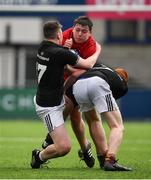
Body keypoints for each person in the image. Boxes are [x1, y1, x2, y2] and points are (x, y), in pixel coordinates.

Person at [30, 20, 101, 169]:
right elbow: (88, 64)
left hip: (57, 97)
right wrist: (98, 51)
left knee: (76, 115)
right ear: (58, 34)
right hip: (49, 107)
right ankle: (39, 156)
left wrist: (65, 53)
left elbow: (66, 68)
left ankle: (85, 147)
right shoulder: (60, 53)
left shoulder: (43, 47)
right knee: (64, 148)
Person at [66, 63, 132, 171]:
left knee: (93, 121)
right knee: (117, 126)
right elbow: (108, 98)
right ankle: (110, 160)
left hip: (78, 84)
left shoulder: (101, 67)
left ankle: (102, 157)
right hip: (97, 83)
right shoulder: (122, 83)